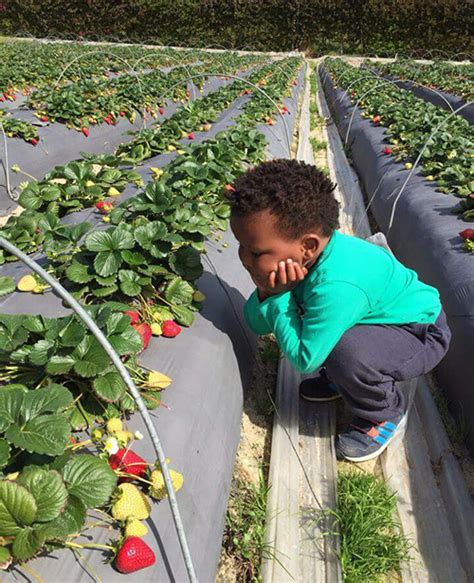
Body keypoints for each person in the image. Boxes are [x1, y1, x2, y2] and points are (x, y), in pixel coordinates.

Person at [226, 159, 451, 463]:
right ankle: (343, 379)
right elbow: (256, 324)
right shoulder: (306, 260)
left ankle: (383, 413)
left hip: (419, 331)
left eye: (254, 252)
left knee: (346, 352)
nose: (243, 258)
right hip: (377, 320)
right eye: (240, 245)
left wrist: (280, 298)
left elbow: (306, 359)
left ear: (307, 246)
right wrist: (269, 293)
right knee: (322, 330)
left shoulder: (337, 285)